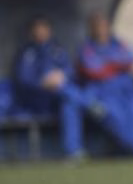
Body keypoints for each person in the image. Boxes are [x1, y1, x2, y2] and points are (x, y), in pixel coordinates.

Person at [11, 16, 102, 159]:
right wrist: (42, 82)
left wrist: (61, 76)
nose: (41, 33)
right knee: (65, 92)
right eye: (38, 30)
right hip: (36, 98)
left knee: (69, 104)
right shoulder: (27, 53)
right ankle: (89, 103)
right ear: (32, 32)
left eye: (44, 29)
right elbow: (23, 79)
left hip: (57, 97)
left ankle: (73, 152)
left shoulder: (57, 49)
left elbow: (70, 71)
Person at [77, 12, 133, 155]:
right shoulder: (87, 48)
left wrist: (111, 64)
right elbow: (95, 70)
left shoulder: (118, 43)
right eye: (98, 27)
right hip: (101, 90)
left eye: (105, 26)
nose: (102, 30)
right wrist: (117, 65)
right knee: (114, 114)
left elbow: (130, 60)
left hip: (123, 86)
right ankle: (132, 147)